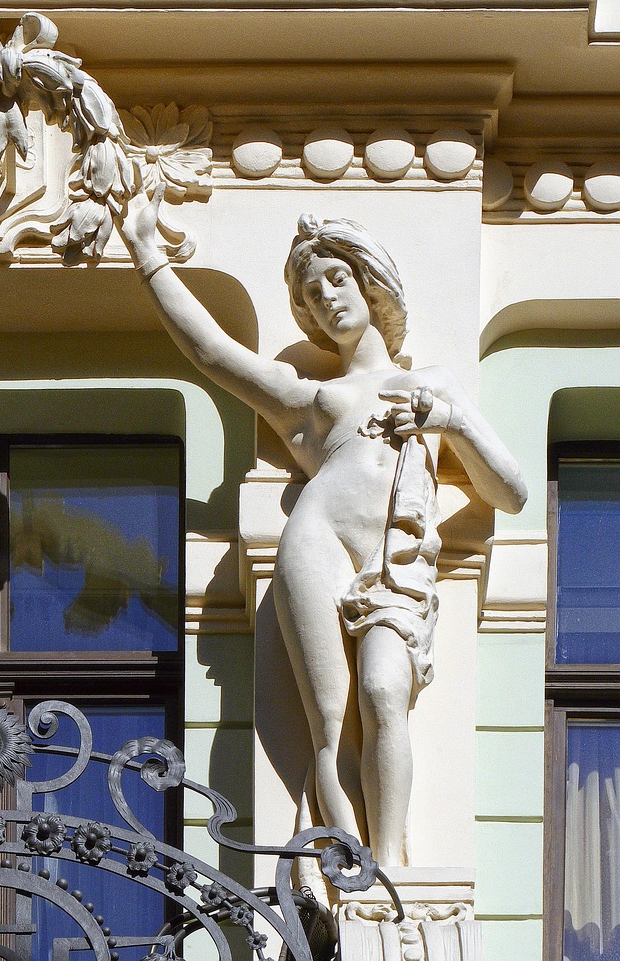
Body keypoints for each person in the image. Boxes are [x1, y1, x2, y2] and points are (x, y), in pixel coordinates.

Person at [120, 186, 527, 866]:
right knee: (333, 726)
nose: (328, 297)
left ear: (369, 281)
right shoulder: (313, 399)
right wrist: (147, 256)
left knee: (383, 690)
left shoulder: (433, 384)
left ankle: (390, 868)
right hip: (317, 542)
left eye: (337, 278)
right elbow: (213, 353)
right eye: (312, 293)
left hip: (395, 564)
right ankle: (348, 877)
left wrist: (449, 422)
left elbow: (510, 492)